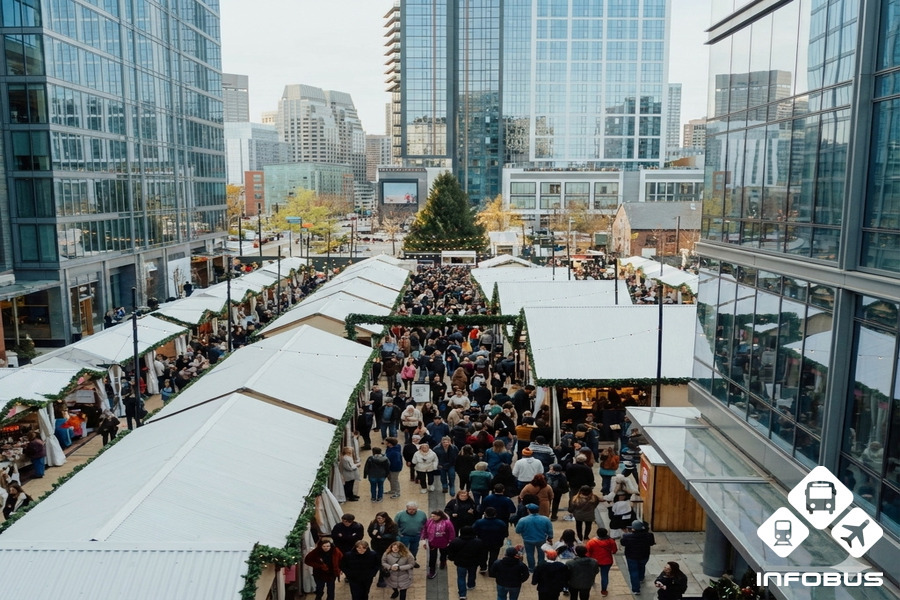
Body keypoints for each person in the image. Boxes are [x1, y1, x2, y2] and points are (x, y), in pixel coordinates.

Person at [447, 525, 485, 600]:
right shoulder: (478, 541)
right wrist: (481, 563)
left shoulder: (456, 541)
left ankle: (462, 594)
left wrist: (451, 558)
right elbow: (482, 553)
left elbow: (451, 552)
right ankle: (471, 585)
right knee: (472, 574)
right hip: (473, 562)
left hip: (461, 563)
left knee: (461, 577)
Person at [515, 503, 554, 572]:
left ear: (528, 510)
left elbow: (517, 530)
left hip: (528, 540)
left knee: (530, 554)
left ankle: (531, 568)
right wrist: (550, 537)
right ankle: (540, 568)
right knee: (541, 554)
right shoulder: (545, 519)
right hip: (541, 539)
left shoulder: (523, 520)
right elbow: (550, 530)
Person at [621, 520, 656, 594]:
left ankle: (636, 589)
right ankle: (641, 578)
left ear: (633, 529)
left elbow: (623, 543)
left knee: (633, 572)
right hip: (644, 555)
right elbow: (652, 543)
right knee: (642, 566)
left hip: (631, 556)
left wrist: (626, 534)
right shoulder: (649, 535)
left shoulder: (627, 536)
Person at [473, 506, 509, 574]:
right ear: (495, 514)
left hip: (482, 542)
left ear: (485, 513)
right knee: (493, 557)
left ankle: (483, 567)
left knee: (483, 556)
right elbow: (504, 533)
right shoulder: (501, 523)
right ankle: (492, 569)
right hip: (496, 543)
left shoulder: (479, 522)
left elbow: (473, 531)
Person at [367, 511, 398, 587]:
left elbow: (394, 534)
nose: (379, 520)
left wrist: (382, 536)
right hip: (377, 546)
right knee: (380, 562)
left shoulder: (392, 524)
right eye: (378, 518)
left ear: (385, 518)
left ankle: (384, 575)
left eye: (381, 518)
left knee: (386, 561)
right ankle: (381, 577)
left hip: (387, 546)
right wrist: (374, 536)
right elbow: (369, 532)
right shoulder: (373, 524)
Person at [422, 509, 456, 579]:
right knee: (432, 557)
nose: (432, 518)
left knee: (443, 554)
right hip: (432, 542)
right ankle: (432, 570)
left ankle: (443, 562)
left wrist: (450, 541)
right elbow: (425, 530)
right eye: (431, 516)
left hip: (444, 543)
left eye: (434, 516)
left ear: (439, 516)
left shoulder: (447, 523)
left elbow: (451, 532)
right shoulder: (429, 521)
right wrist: (424, 540)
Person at [585, 528, 617, 597]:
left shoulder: (591, 542)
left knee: (592, 573)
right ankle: (604, 591)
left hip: (594, 561)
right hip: (607, 561)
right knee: (604, 576)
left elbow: (587, 553)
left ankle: (592, 581)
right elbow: (614, 551)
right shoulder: (611, 541)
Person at [394, 501, 427, 567]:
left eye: (414, 509)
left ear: (417, 509)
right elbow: (395, 525)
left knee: (414, 549)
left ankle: (412, 561)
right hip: (404, 536)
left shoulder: (422, 514)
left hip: (416, 535)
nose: (411, 511)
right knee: (403, 549)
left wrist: (422, 534)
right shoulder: (400, 515)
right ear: (406, 508)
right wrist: (399, 534)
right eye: (410, 509)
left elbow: (425, 524)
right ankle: (403, 562)